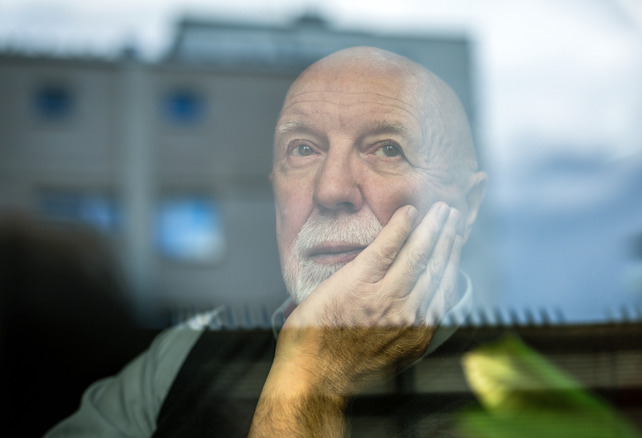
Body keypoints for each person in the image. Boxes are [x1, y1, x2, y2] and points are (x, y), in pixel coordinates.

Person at [46, 46, 487, 437]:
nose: (330, 190)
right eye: (303, 149)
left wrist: (315, 375)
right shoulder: (184, 359)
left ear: (466, 208)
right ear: (275, 187)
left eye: (388, 149)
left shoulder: (534, 387)